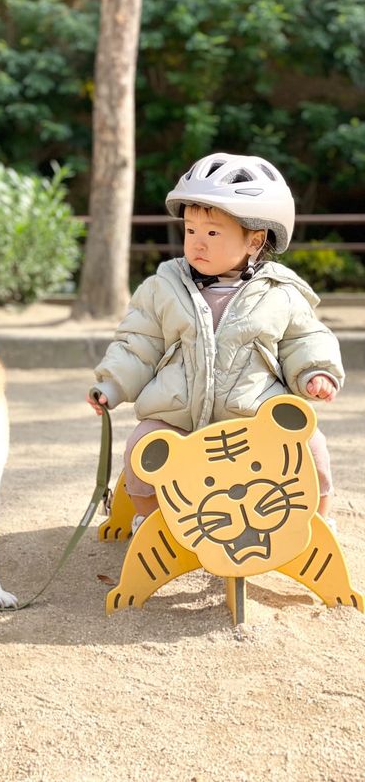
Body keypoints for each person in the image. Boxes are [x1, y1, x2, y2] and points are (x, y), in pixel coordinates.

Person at [87, 152, 343, 533]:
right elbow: (137, 343)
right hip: (180, 419)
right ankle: (151, 518)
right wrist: (111, 384)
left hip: (255, 419)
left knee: (310, 446)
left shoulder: (280, 292)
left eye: (211, 233)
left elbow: (303, 338)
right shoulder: (164, 287)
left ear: (255, 240)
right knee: (142, 447)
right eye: (191, 231)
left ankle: (315, 520)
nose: (197, 243)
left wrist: (315, 372)